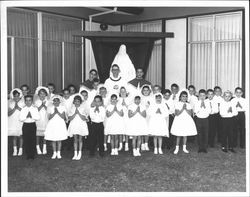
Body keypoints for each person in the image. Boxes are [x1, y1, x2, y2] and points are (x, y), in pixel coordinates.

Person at [44, 95, 68, 159]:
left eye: (57, 101)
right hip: (52, 124)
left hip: (60, 124)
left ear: (60, 102)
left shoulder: (62, 107)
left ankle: (59, 152)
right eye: (55, 101)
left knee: (59, 139)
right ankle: (54, 152)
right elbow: (49, 117)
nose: (56, 102)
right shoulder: (50, 108)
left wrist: (57, 112)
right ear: (52, 102)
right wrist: (54, 112)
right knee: (53, 139)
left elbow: (63, 117)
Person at [68, 95, 89, 160]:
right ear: (73, 102)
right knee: (75, 139)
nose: (77, 103)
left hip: (81, 125)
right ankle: (75, 153)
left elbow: (84, 118)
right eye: (75, 101)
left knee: (80, 139)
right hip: (74, 125)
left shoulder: (83, 109)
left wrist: (79, 113)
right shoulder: (71, 109)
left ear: (80, 102)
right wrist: (75, 113)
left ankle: (79, 152)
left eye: (78, 101)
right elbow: (70, 118)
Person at [19, 95, 40, 159]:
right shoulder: (23, 109)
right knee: (26, 139)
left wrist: (32, 116)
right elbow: (20, 118)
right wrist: (26, 116)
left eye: (30, 100)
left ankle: (32, 154)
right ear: (25, 101)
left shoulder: (35, 108)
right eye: (27, 100)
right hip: (25, 125)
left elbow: (38, 117)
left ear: (32, 101)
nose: (28, 102)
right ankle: (28, 154)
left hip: (32, 125)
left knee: (33, 139)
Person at [8, 88, 25, 156]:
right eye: (15, 96)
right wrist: (15, 108)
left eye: (17, 96)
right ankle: (15, 150)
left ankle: (20, 149)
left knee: (21, 136)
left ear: (20, 96)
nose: (16, 97)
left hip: (20, 121)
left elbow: (25, 112)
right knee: (14, 136)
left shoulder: (23, 103)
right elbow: (8, 114)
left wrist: (19, 108)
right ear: (13, 96)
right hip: (13, 121)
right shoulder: (10, 103)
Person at [34, 86, 50, 155]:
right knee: (37, 134)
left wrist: (45, 106)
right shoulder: (36, 102)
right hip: (38, 119)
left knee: (45, 134)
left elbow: (49, 110)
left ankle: (44, 147)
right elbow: (35, 110)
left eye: (44, 93)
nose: (42, 95)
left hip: (45, 118)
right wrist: (41, 105)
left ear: (46, 94)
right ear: (38, 94)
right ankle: (37, 147)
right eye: (41, 93)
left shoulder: (48, 101)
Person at [117, 86, 132, 151]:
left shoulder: (129, 99)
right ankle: (120, 145)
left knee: (126, 131)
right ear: (120, 92)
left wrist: (125, 104)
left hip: (126, 117)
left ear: (126, 92)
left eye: (124, 91)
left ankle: (126, 145)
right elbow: (116, 108)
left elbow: (131, 108)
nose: (123, 92)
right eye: (121, 91)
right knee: (120, 130)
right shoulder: (118, 99)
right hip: (120, 116)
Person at [140, 84, 153, 151]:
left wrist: (150, 105)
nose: (145, 92)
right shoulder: (140, 98)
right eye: (144, 90)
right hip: (142, 115)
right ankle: (142, 144)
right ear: (142, 91)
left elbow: (153, 107)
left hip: (149, 115)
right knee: (142, 129)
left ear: (149, 91)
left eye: (147, 90)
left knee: (147, 130)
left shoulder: (151, 98)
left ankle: (146, 144)